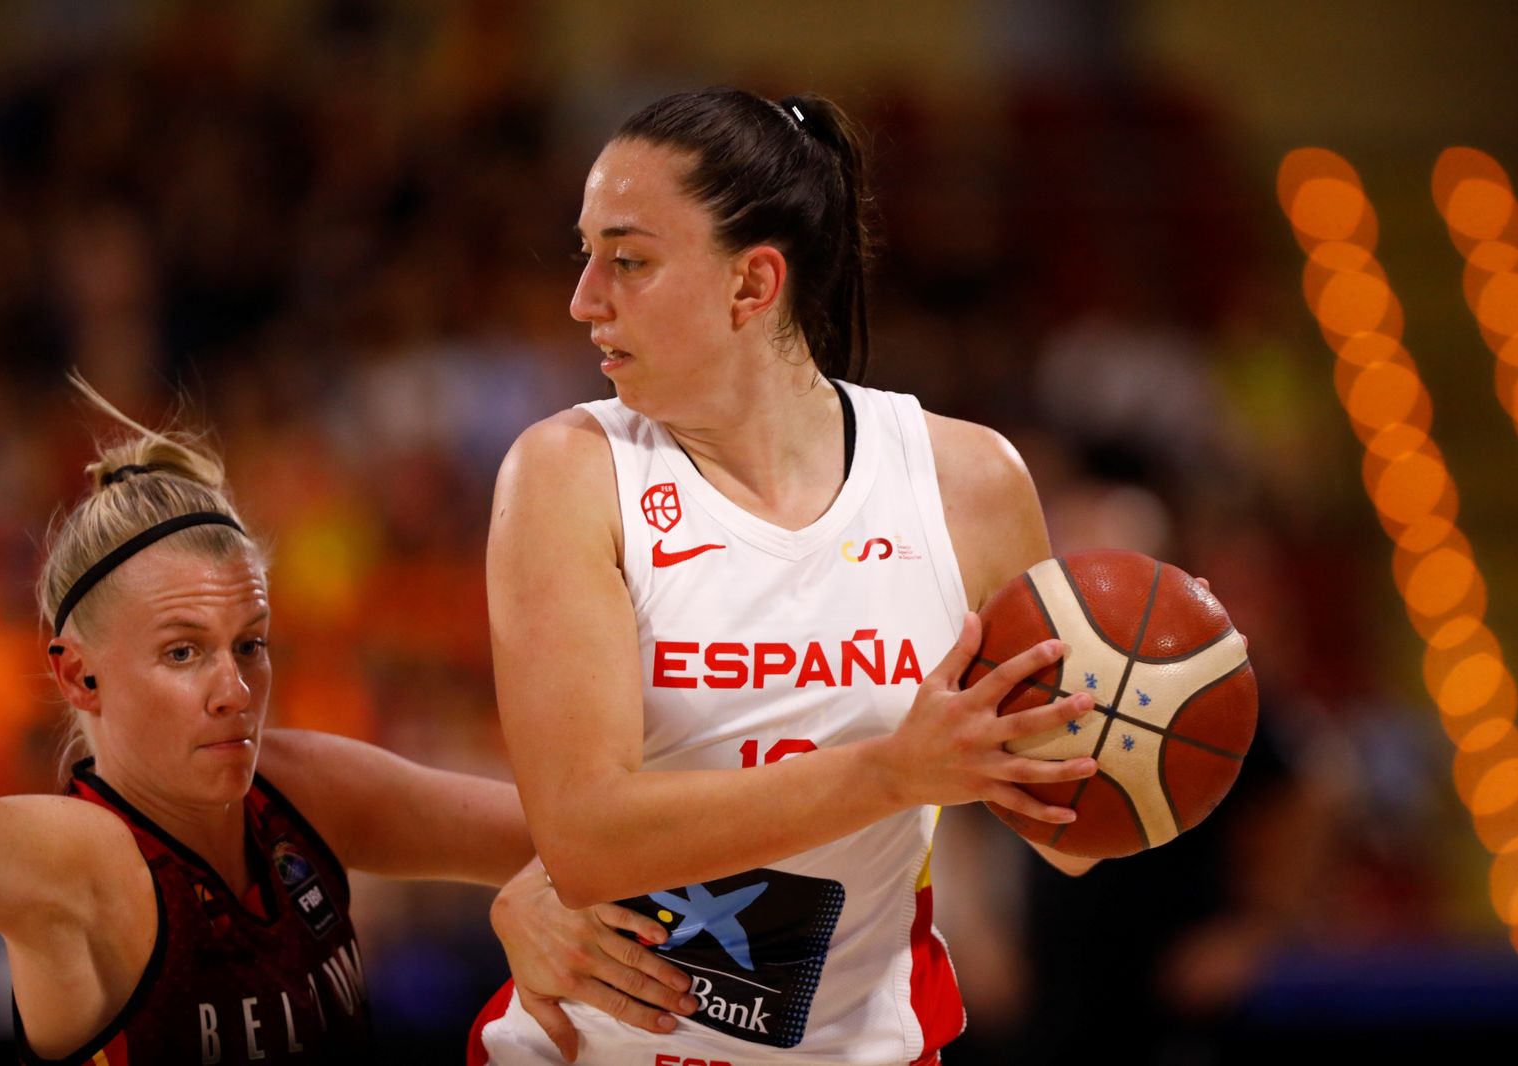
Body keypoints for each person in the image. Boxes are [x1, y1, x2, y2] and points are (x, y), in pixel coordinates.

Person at [472, 88, 1101, 1066]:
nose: (583, 297)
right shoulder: (567, 472)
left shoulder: (969, 482)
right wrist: (890, 771)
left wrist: (1143, 726)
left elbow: (1072, 834)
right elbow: (588, 837)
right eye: (585, 252)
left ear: (752, 284)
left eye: (627, 260)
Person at [0, 377, 696, 1065]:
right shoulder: (74, 861)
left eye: (251, 645)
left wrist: (534, 894)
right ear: (79, 676)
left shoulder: (300, 789)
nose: (234, 688)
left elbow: (596, 839)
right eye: (182, 653)